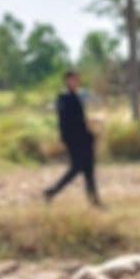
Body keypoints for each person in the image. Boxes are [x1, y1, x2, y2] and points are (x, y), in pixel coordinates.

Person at [45, 70, 101, 207]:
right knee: (77, 167)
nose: (76, 82)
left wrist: (90, 125)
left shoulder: (76, 96)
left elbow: (79, 118)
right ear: (67, 81)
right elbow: (66, 120)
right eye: (73, 79)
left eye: (77, 79)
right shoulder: (64, 97)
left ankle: (94, 199)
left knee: (88, 168)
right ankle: (52, 191)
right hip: (73, 139)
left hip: (84, 137)